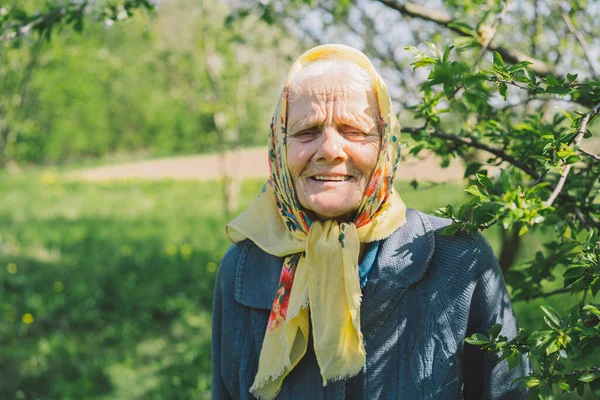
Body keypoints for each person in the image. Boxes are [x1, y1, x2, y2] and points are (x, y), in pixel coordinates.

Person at [211, 44, 529, 400]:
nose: (330, 149)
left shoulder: (459, 257)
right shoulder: (243, 268)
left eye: (354, 131)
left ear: (386, 145)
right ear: (278, 146)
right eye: (306, 132)